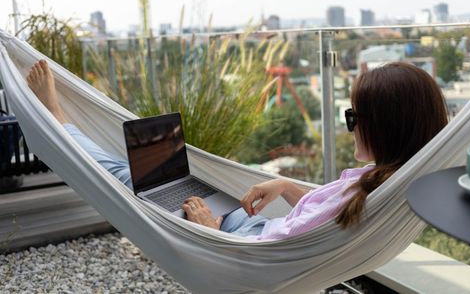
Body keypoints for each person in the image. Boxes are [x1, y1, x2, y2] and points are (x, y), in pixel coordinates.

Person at [27, 59, 448, 240]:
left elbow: (260, 255)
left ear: (386, 128)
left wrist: (209, 229)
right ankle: (70, 128)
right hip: (248, 226)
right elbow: (328, 216)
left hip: (240, 239)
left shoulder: (375, 188)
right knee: (156, 177)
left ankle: (60, 120)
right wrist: (285, 185)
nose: (349, 127)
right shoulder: (387, 180)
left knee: (122, 175)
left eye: (355, 119)